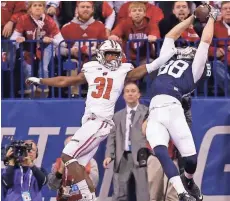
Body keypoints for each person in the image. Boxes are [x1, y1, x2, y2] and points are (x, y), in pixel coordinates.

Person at [25, 17, 194, 199]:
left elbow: (147, 68)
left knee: (67, 156)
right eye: (110, 54)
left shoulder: (123, 69)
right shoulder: (91, 67)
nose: (113, 57)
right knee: (78, 167)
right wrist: (41, 80)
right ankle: (90, 197)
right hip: (90, 120)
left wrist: (168, 55)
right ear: (101, 55)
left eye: (115, 54)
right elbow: (66, 80)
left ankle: (80, 193)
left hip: (100, 121)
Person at [145, 5, 218, 201]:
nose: (187, 49)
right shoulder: (168, 56)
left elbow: (206, 40)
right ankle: (182, 193)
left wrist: (212, 17)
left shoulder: (195, 69)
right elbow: (170, 36)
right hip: (154, 109)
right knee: (160, 152)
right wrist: (192, 17)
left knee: (191, 161)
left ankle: (188, 180)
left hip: (173, 107)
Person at [103, 82, 150, 201]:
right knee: (119, 194)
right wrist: (109, 155)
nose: (130, 94)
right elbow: (112, 137)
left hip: (142, 158)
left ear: (139, 94)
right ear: (123, 95)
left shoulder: (147, 113)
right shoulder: (117, 116)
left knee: (144, 194)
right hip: (122, 157)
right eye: (127, 91)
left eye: (133, 91)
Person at [48, 136, 99, 201]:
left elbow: (94, 183)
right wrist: (61, 170)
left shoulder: (90, 162)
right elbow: (53, 186)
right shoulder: (58, 163)